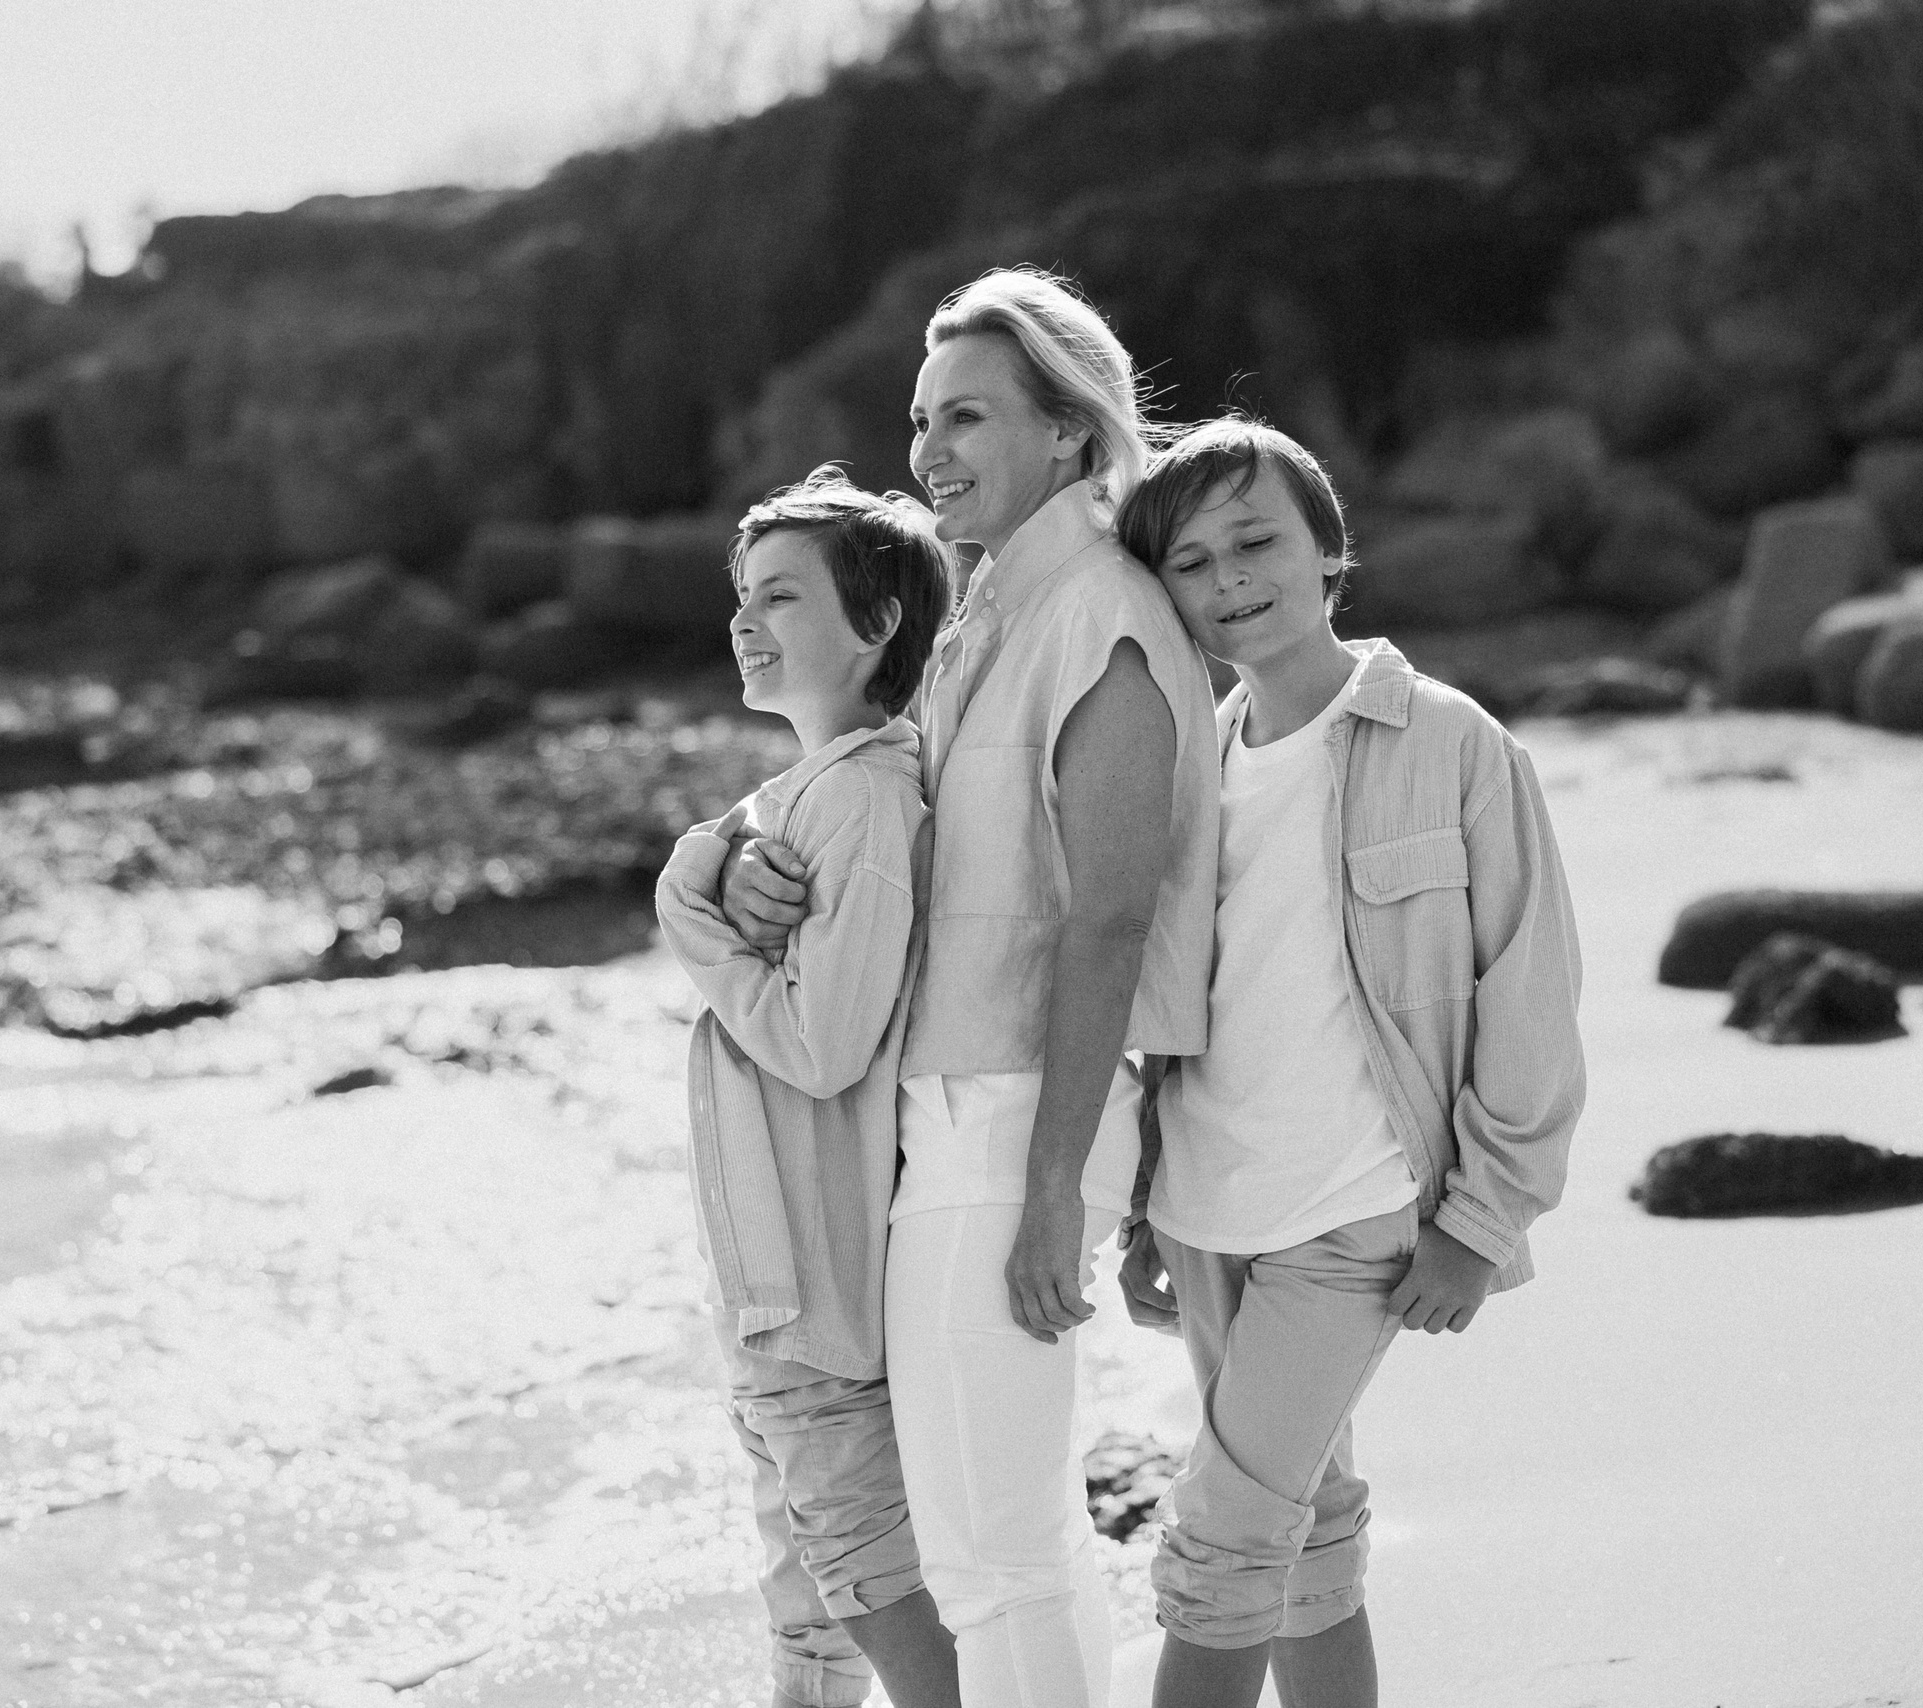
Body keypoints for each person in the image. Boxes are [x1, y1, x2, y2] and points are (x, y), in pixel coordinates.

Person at [722, 268, 1220, 1707]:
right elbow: (873, 805)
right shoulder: (990, 613)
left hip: (1013, 1114)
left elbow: (1110, 917)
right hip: (957, 1110)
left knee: (987, 1549)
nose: (931, 449)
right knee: (1007, 1540)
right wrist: (732, 861)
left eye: (972, 416)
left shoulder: (1107, 613)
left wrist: (1059, 1179)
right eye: (923, 417)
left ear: (1071, 434)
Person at [1111, 417, 1586, 1708]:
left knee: (1217, 1551)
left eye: (1257, 539)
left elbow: (1531, 1001)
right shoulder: (1190, 767)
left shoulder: (1453, 744)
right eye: (1194, 561)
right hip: (1212, 1210)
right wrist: (1149, 1204)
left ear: (1329, 549)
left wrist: (1478, 1224)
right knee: (1305, 1543)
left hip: (1354, 1211)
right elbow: (1178, 1010)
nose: (1230, 577)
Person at [653, 468, 960, 1708]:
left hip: (819, 1289)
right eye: (740, 593)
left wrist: (692, 911)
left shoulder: (868, 798)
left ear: (878, 621)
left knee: (860, 1577)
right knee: (808, 1599)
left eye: (780, 594)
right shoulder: (804, 796)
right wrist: (716, 852)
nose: (745, 618)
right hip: (772, 1282)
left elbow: (821, 1044)